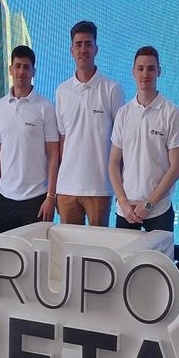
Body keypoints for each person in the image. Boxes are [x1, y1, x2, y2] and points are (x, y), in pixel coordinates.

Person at [109, 46, 179, 232]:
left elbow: (176, 168)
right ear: (133, 72)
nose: (145, 74)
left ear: (159, 71)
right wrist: (122, 202)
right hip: (126, 212)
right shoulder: (124, 113)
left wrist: (149, 204)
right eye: (141, 68)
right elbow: (113, 163)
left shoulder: (171, 113)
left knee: (159, 254)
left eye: (151, 68)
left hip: (158, 212)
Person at [55, 21, 124, 226]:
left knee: (97, 245)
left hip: (99, 187)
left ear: (96, 49)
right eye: (78, 44)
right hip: (67, 187)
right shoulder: (62, 91)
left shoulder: (112, 89)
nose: (83, 49)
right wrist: (56, 187)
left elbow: (121, 141)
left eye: (88, 44)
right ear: (71, 50)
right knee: (67, 245)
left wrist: (121, 185)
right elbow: (62, 139)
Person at [0, 45, 59, 232]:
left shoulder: (45, 107)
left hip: (36, 199)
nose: (21, 71)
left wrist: (50, 197)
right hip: (5, 199)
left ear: (33, 71)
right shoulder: (0, 107)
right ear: (10, 70)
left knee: (35, 251)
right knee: (5, 250)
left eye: (26, 67)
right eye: (17, 66)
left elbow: (54, 155)